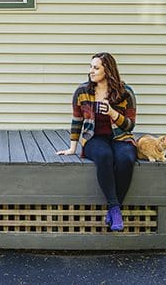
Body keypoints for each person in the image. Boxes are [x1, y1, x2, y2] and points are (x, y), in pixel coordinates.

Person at [57, 52, 137, 232]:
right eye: (90, 67)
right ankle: (116, 210)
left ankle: (113, 208)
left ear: (107, 70)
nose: (91, 71)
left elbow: (130, 126)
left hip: (120, 137)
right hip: (94, 138)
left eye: (96, 67)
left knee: (126, 159)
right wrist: (72, 148)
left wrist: (112, 113)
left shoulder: (126, 93)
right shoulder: (82, 91)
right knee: (104, 156)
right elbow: (77, 120)